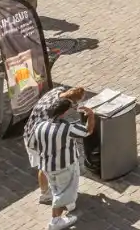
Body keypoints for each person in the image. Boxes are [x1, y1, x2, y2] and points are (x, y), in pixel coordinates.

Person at [28, 95, 94, 230]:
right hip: (65, 166)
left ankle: (67, 205)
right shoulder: (68, 128)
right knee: (62, 193)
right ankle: (55, 221)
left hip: (47, 167)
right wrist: (91, 115)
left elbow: (32, 145)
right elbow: (88, 131)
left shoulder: (39, 126)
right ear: (64, 112)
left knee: (56, 188)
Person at [25, 84, 85, 208]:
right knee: (44, 166)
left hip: (32, 129)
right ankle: (46, 195)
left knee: (45, 165)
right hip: (35, 136)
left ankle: (51, 190)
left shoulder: (58, 91)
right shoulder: (51, 111)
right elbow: (53, 129)